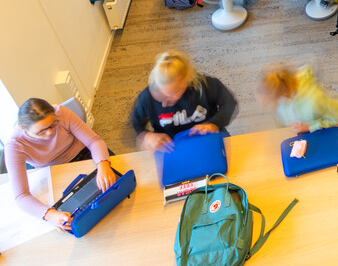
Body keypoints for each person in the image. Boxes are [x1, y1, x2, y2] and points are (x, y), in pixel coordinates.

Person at [5, 98, 116, 230]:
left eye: (53, 124)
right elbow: (21, 195)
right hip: (53, 172)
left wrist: (103, 164)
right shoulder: (14, 145)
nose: (50, 132)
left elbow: (94, 141)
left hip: (84, 154)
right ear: (23, 128)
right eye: (41, 131)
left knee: (113, 187)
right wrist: (50, 215)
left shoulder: (61, 113)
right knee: (80, 213)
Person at [131, 51, 239, 153]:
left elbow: (229, 103)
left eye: (173, 93)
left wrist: (214, 124)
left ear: (186, 81)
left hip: (209, 138)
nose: (164, 104)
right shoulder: (147, 97)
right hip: (171, 147)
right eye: (162, 94)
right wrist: (146, 136)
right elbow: (137, 121)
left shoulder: (206, 86)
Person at [256, 63, 338, 133]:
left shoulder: (313, 101)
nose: (268, 108)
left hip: (319, 134)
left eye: (269, 103)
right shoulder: (282, 98)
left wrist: (310, 127)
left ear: (281, 95)